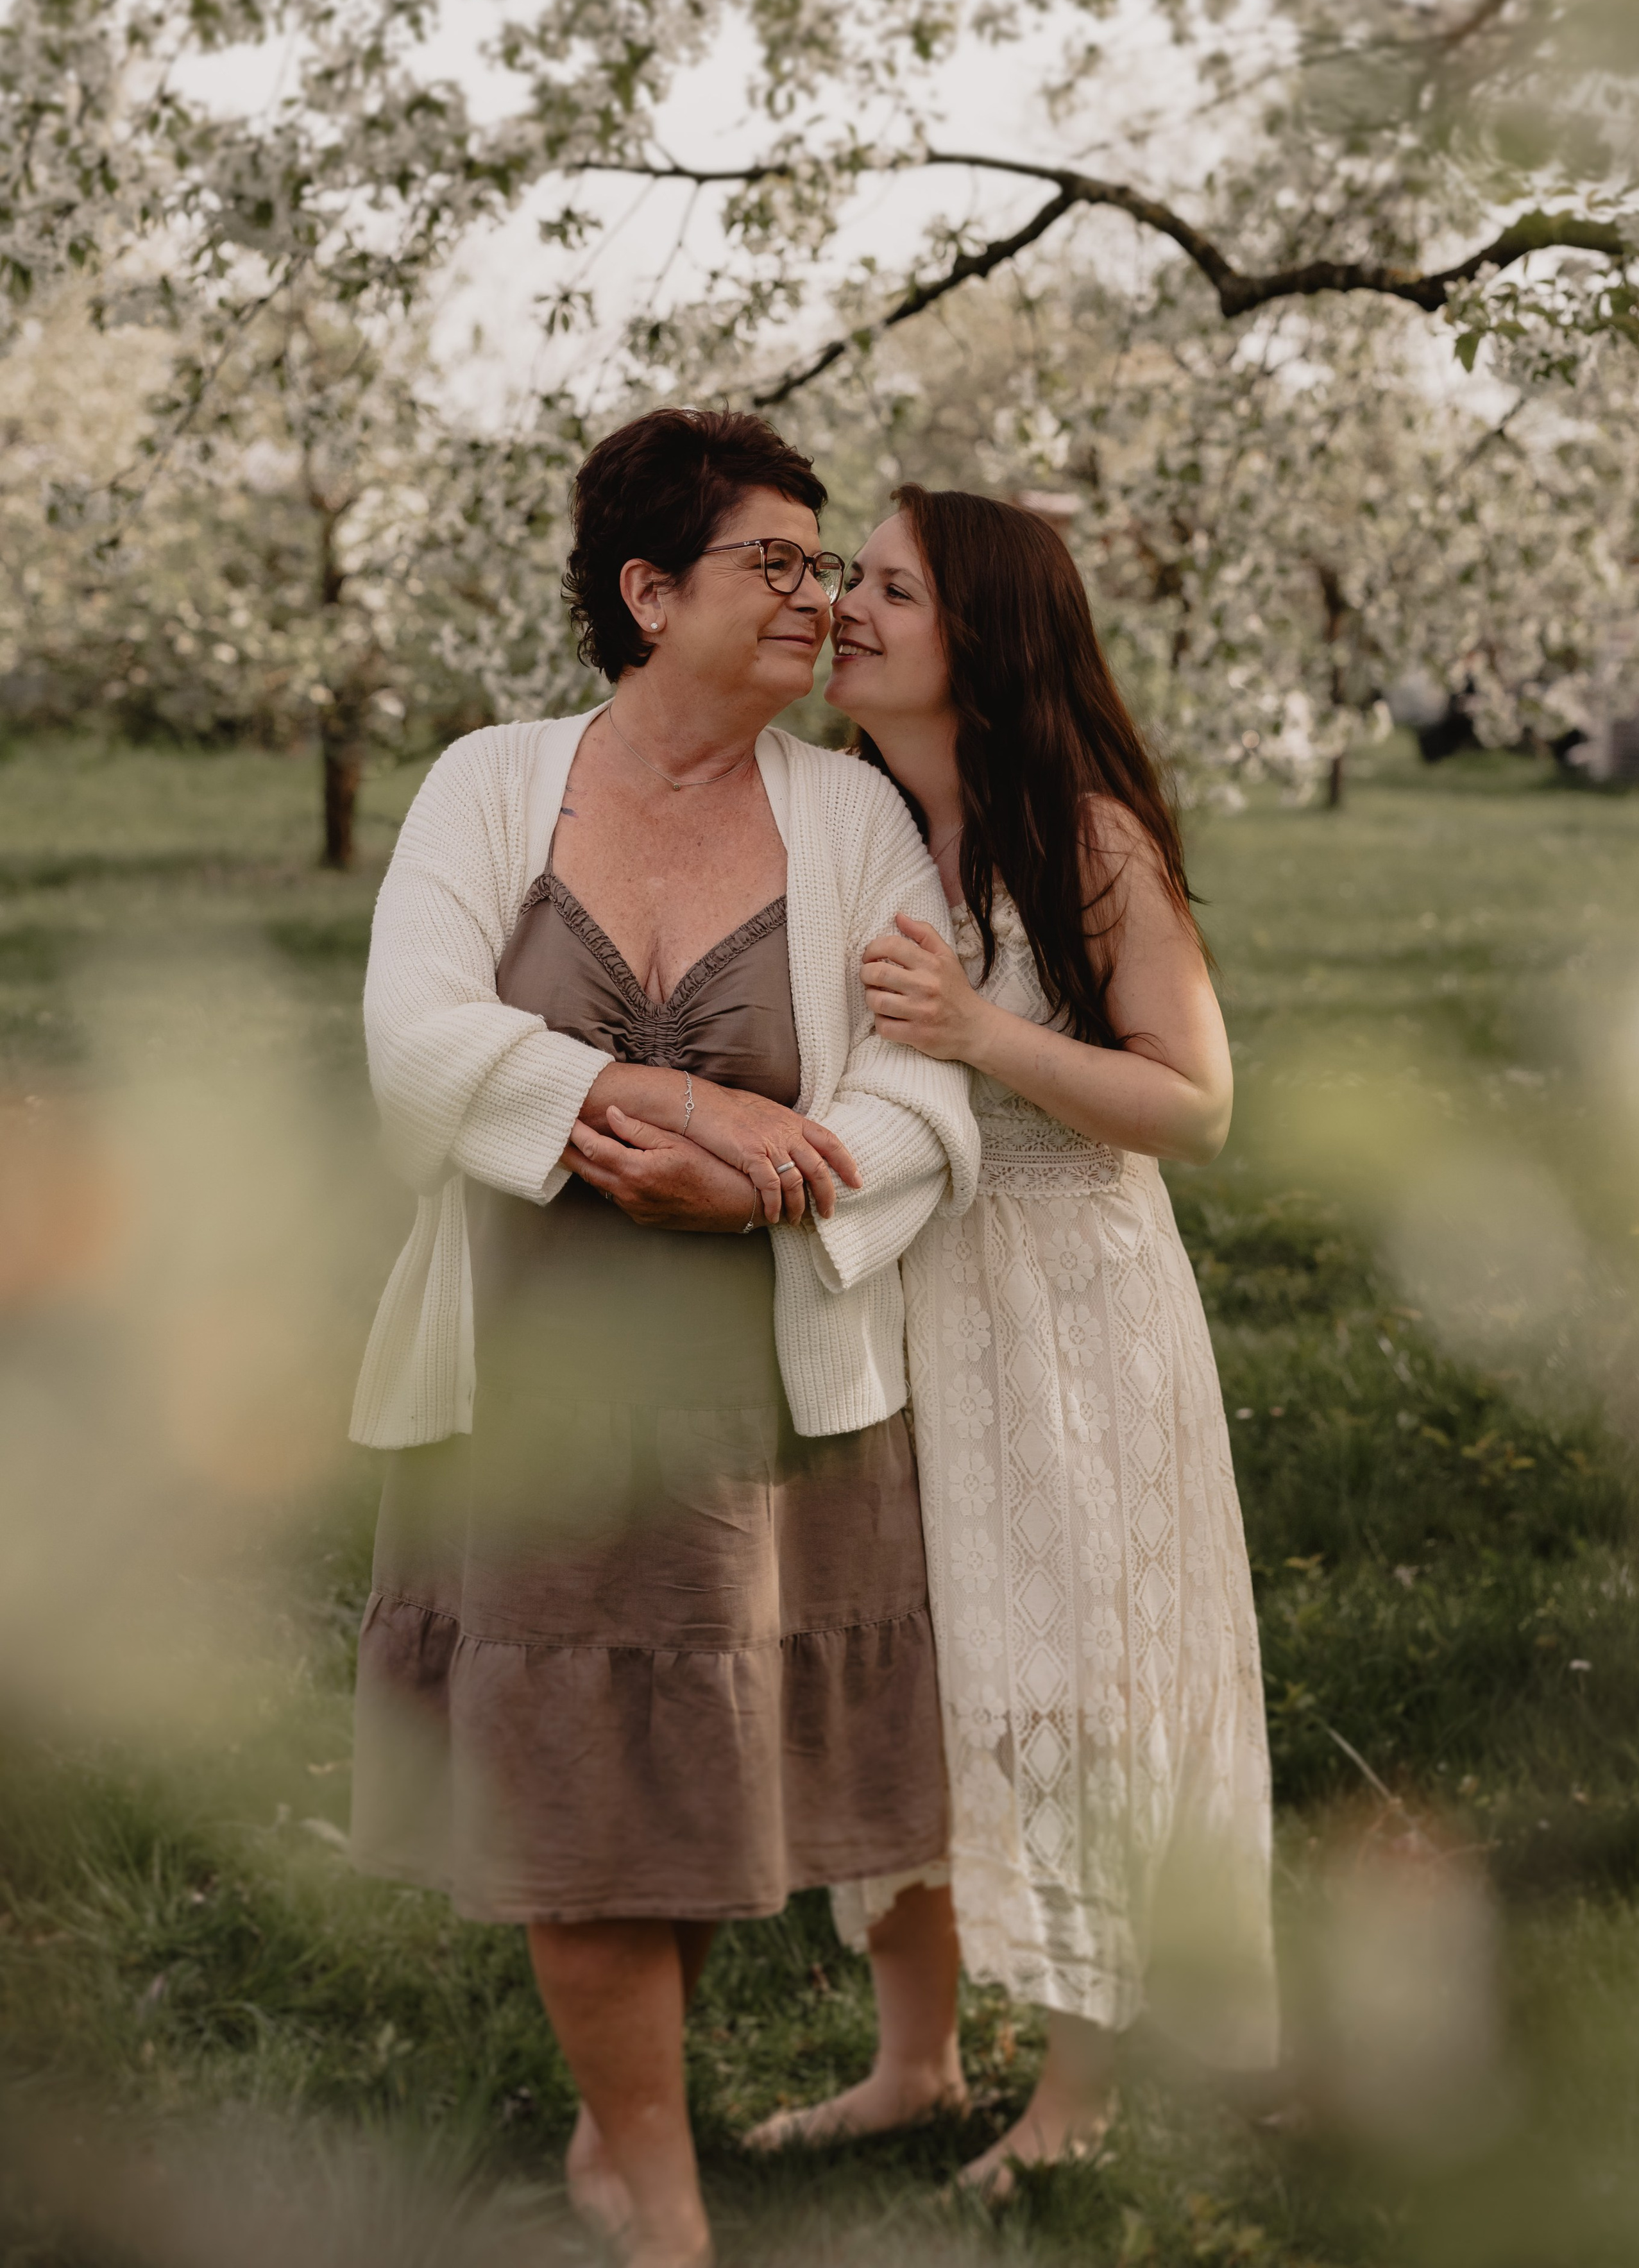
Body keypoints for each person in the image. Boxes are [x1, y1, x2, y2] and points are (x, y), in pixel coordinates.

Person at [346, 413, 978, 2268]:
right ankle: (655, 2181)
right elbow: (411, 1046)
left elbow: (926, 1102)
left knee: (698, 1765)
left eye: (824, 559)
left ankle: (618, 2129)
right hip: (538, 1394)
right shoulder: (494, 785)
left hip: (771, 1398)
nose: (821, 596)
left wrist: (775, 1188)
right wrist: (646, 1093)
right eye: (776, 562)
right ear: (649, 592)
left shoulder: (850, 816)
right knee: (578, 1777)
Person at [748, 486, 1278, 2194]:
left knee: (1069, 1683)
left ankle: (1079, 2090)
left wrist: (981, 1033)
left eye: (889, 588)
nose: (847, 609)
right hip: (895, 1301)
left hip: (1068, 1315)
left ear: (980, 632)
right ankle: (914, 2062)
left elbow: (1192, 1103)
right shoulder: (849, 821)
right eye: (850, 581)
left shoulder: (1083, 834)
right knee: (900, 1672)